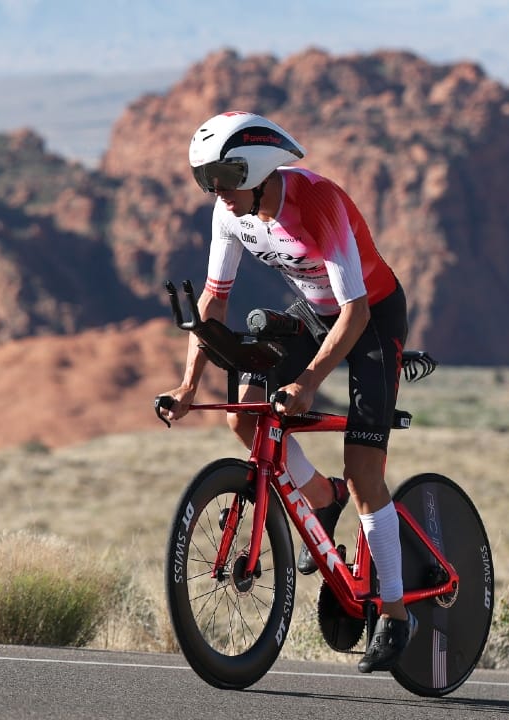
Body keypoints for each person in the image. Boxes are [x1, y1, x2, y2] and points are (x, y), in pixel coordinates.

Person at [160, 110, 413, 673]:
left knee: (363, 472)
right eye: (205, 180)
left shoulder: (318, 203)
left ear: (256, 168)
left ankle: (396, 614)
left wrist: (307, 383)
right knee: (245, 416)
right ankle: (322, 498)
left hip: (370, 316)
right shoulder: (230, 214)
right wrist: (188, 385)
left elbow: (354, 313)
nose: (217, 191)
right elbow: (213, 302)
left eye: (224, 177)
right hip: (313, 312)